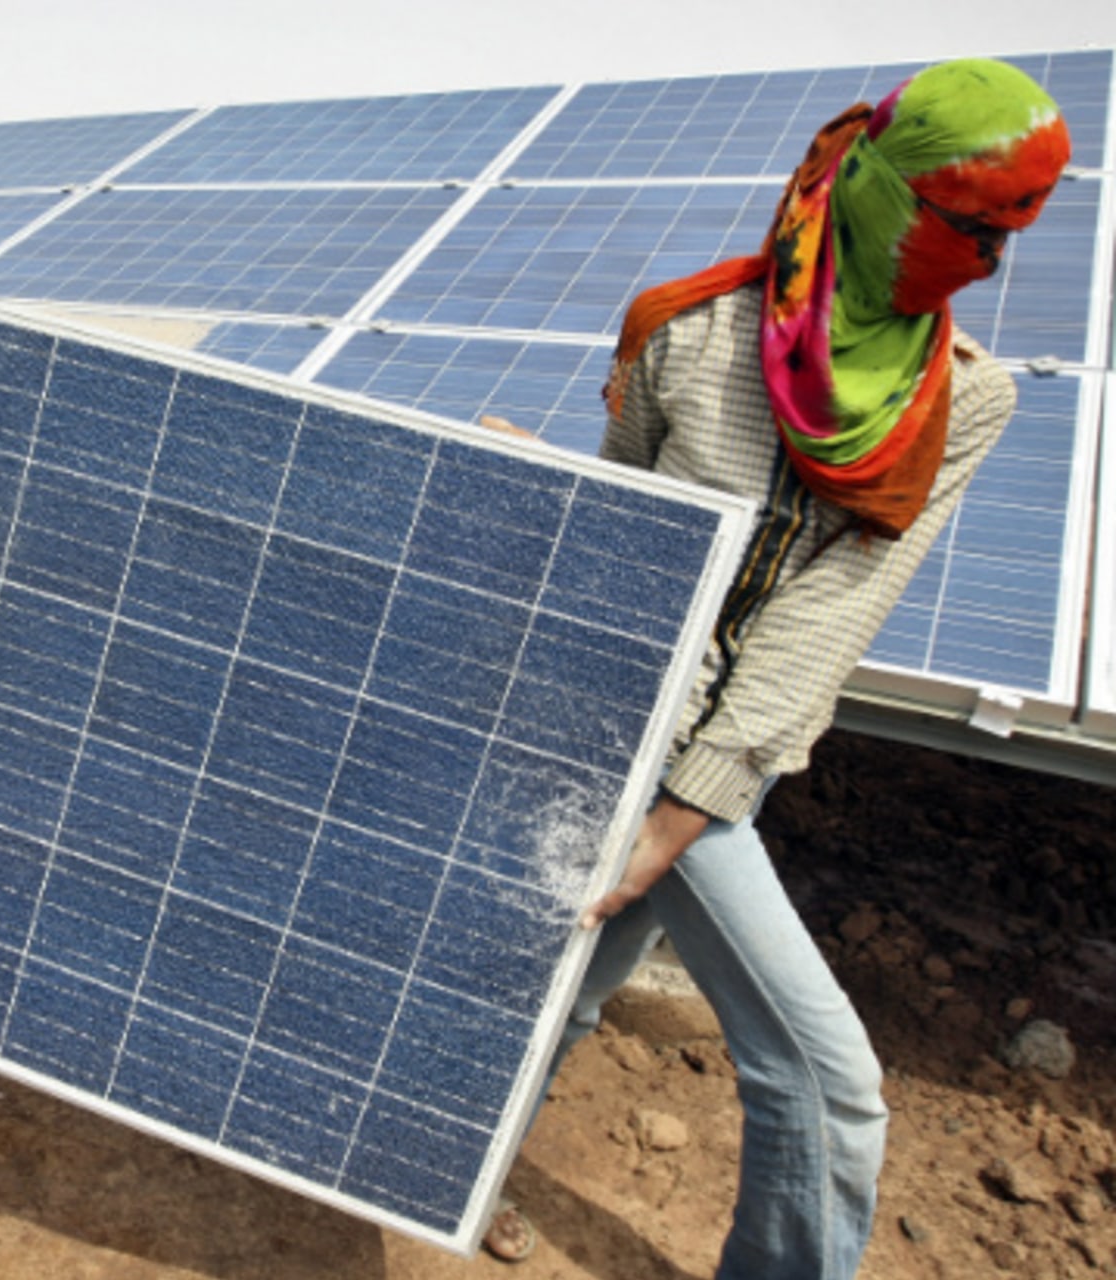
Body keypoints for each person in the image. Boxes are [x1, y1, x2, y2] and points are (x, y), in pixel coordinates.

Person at [481, 58, 1071, 1275]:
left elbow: (834, 610)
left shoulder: (963, 399)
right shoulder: (683, 334)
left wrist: (692, 801)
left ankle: (452, 1158)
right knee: (828, 1079)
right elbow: (625, 545)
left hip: (723, 762)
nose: (989, 264)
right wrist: (536, 482)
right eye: (968, 224)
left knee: (567, 985)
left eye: (1011, 233)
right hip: (617, 727)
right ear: (881, 187)